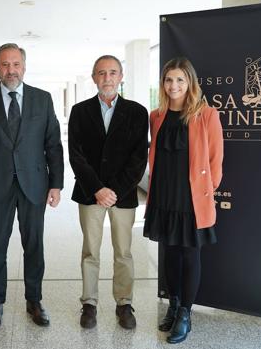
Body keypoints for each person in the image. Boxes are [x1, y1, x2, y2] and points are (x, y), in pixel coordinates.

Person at [0, 43, 64, 330]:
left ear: (24, 66)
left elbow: (53, 146)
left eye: (16, 64)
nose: (11, 70)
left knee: (34, 246)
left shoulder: (42, 99)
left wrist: (55, 184)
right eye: (5, 64)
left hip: (34, 185)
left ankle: (34, 300)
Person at [143, 57, 223, 344]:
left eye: (180, 79)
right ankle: (173, 305)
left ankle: (186, 315)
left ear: (190, 82)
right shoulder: (156, 116)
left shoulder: (206, 114)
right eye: (168, 80)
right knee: (170, 254)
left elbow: (215, 161)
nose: (174, 85)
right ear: (163, 84)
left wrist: (204, 192)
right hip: (163, 195)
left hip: (191, 199)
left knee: (190, 255)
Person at [68, 55, 148, 330]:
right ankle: (89, 303)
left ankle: (124, 303)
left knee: (123, 251)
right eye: (101, 73)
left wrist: (114, 190)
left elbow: (139, 159)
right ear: (94, 78)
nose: (107, 78)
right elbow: (76, 156)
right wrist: (98, 189)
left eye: (113, 72)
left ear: (121, 76)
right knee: (90, 250)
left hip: (122, 195)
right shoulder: (80, 111)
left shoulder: (137, 112)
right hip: (90, 193)